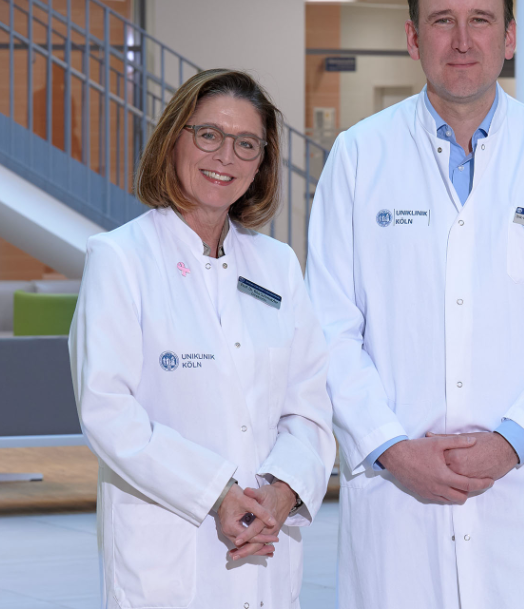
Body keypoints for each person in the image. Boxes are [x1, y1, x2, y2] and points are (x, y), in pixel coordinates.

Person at [305, 0, 524, 609]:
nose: (461, 39)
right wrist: (391, 448)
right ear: (412, 38)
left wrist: (511, 442)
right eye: (441, 21)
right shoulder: (359, 156)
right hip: (397, 494)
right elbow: (328, 328)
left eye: (480, 20)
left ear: (509, 38)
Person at [69, 69, 335, 609]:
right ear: (174, 140)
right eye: (209, 134)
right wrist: (217, 492)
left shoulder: (277, 265)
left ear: (261, 163)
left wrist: (283, 492)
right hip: (169, 551)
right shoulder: (120, 258)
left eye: (246, 144)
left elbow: (309, 404)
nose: (225, 157)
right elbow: (108, 411)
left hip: (264, 543)